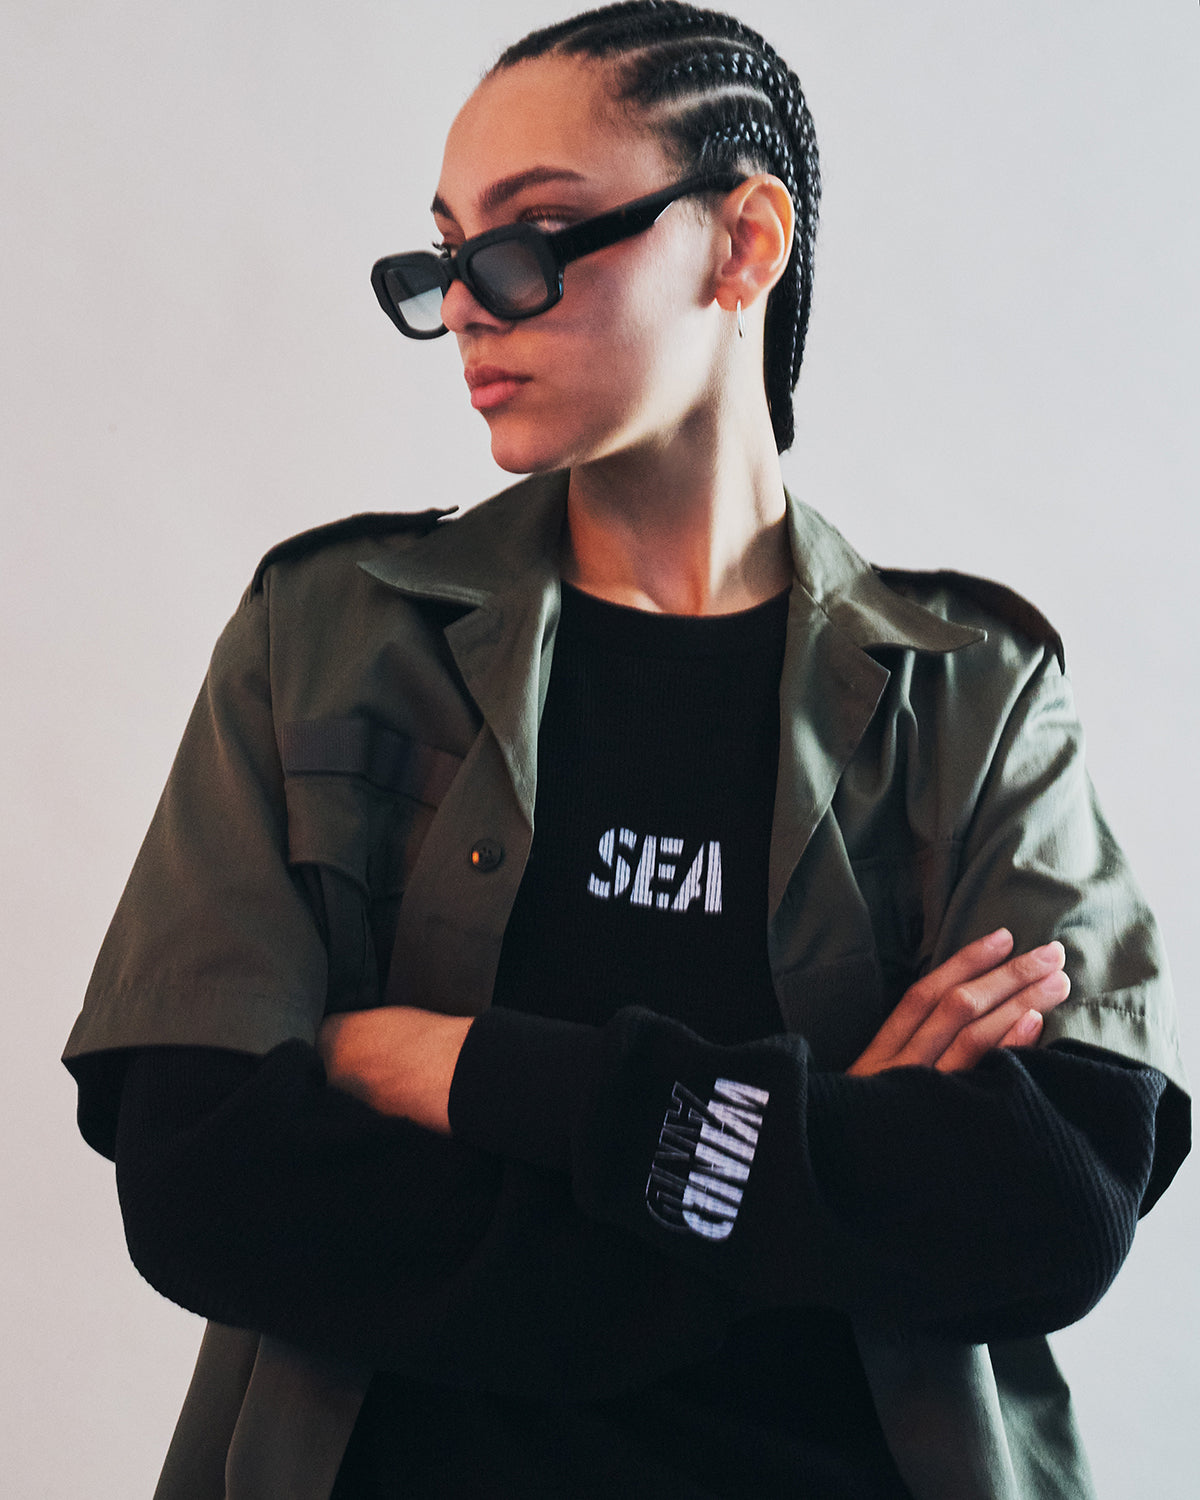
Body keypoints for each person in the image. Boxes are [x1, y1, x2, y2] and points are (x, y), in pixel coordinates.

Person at [63, 4, 1188, 1497]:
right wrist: (795, 1185)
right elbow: (205, 1183)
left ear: (744, 243)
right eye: (447, 255)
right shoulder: (323, 636)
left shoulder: (971, 693)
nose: (470, 307)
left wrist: (475, 1075)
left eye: (529, 239)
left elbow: (1045, 1209)